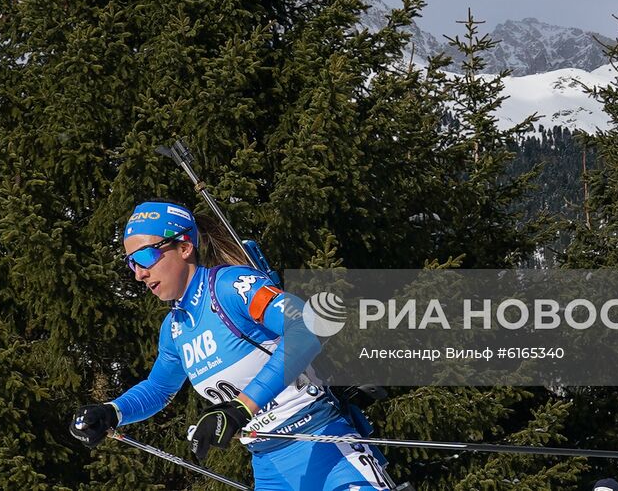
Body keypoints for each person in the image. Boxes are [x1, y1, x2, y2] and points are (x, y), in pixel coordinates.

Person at [70, 200, 391, 491]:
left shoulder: (231, 286)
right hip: (268, 466)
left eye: (146, 256)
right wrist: (112, 411)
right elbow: (158, 388)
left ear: (184, 247)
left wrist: (241, 408)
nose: (140, 273)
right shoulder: (175, 328)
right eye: (132, 263)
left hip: (322, 444)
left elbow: (305, 328)